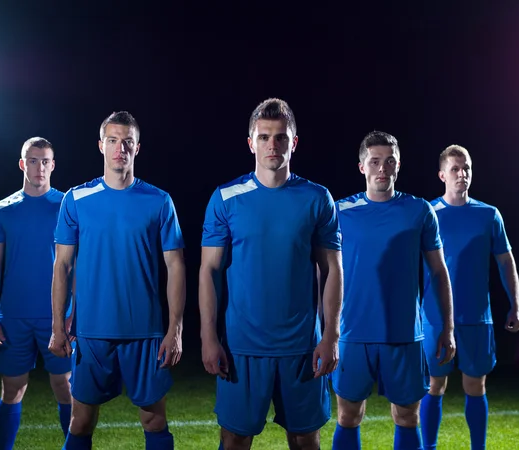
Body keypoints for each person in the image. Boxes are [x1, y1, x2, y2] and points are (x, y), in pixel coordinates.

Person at [199, 98, 343, 450]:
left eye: (280, 137)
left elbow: (332, 269)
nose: (272, 145)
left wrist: (331, 335)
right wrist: (208, 336)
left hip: (301, 347)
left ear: (294, 142)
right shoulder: (226, 197)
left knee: (306, 440)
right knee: (234, 440)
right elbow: (209, 270)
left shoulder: (318, 198)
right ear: (251, 142)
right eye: (264, 137)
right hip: (241, 347)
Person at [48, 111, 186, 450]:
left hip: (146, 332)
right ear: (101, 145)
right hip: (92, 331)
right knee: (80, 422)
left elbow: (176, 266)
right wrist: (57, 326)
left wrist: (175, 329)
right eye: (113, 141)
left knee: (154, 420)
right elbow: (62, 266)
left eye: (127, 142)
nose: (119, 148)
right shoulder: (76, 199)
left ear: (137, 148)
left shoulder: (159, 200)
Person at [331, 131, 457, 450]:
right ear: (362, 166)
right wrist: (323, 329)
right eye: (374, 162)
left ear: (399, 165)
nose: (382, 169)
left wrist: (448, 328)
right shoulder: (339, 211)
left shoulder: (419, 211)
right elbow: (325, 274)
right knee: (347, 416)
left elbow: (439, 272)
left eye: (389, 161)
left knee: (406, 417)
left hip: (404, 334)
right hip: (352, 333)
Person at [420, 145, 519, 450]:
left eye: (466, 168)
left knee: (475, 386)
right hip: (435, 318)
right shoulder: (428, 214)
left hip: (477, 317)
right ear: (442, 175)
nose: (462, 174)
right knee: (434, 386)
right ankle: (429, 448)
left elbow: (506, 262)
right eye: (455, 169)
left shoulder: (489, 215)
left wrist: (516, 304)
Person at [0, 137, 72, 449]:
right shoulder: (3, 210)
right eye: (33, 160)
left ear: (53, 165)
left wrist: (75, 313)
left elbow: (78, 265)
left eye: (45, 161)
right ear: (23, 164)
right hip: (13, 317)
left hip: (57, 316)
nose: (40, 167)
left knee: (65, 387)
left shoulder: (66, 206)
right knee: (12, 390)